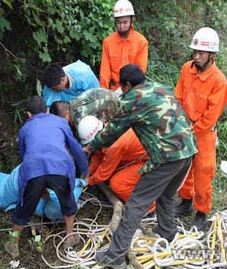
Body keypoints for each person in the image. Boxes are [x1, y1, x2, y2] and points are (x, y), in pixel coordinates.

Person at [83, 64, 197, 268]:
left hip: (166, 156)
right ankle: (168, 233)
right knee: (167, 194)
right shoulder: (158, 87)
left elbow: (112, 132)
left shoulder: (131, 100)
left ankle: (115, 256)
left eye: (122, 86)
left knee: (136, 203)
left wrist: (92, 147)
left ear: (127, 85)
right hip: (188, 150)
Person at [4, 96, 89, 258]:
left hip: (33, 169)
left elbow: (25, 156)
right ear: (48, 110)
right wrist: (85, 171)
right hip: (60, 168)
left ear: (29, 114)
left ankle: (13, 244)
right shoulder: (61, 123)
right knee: (68, 202)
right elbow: (76, 149)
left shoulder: (24, 129)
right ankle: (69, 237)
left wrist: (37, 185)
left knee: (25, 207)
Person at [174, 27, 227, 231]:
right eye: (194, 52)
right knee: (185, 169)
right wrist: (180, 124)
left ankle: (202, 212)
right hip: (184, 126)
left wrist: (192, 131)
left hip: (204, 134)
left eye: (201, 53)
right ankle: (186, 203)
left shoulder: (219, 82)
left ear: (211, 54)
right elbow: (178, 97)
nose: (196, 56)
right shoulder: (186, 69)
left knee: (203, 173)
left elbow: (210, 116)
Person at [99, 0, 148, 91]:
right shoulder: (108, 42)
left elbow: (140, 71)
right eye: (118, 22)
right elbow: (104, 72)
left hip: (133, 90)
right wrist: (104, 92)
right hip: (113, 89)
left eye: (125, 22)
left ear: (131, 20)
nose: (121, 26)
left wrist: (125, 89)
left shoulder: (141, 41)